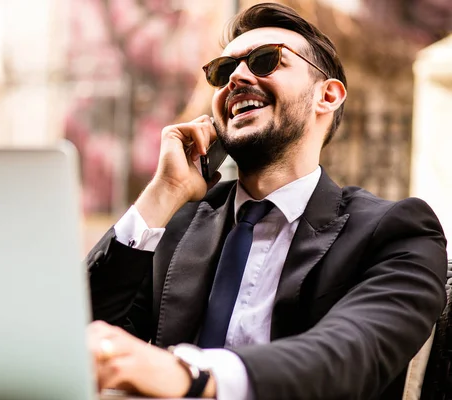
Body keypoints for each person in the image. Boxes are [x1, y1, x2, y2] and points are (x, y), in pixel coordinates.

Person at [85, 3, 448, 399]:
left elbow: (349, 356)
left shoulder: (398, 232)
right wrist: (163, 192)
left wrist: (194, 376)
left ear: (327, 95)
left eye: (265, 60)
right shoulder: (176, 223)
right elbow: (79, 335)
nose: (237, 77)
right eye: (223, 71)